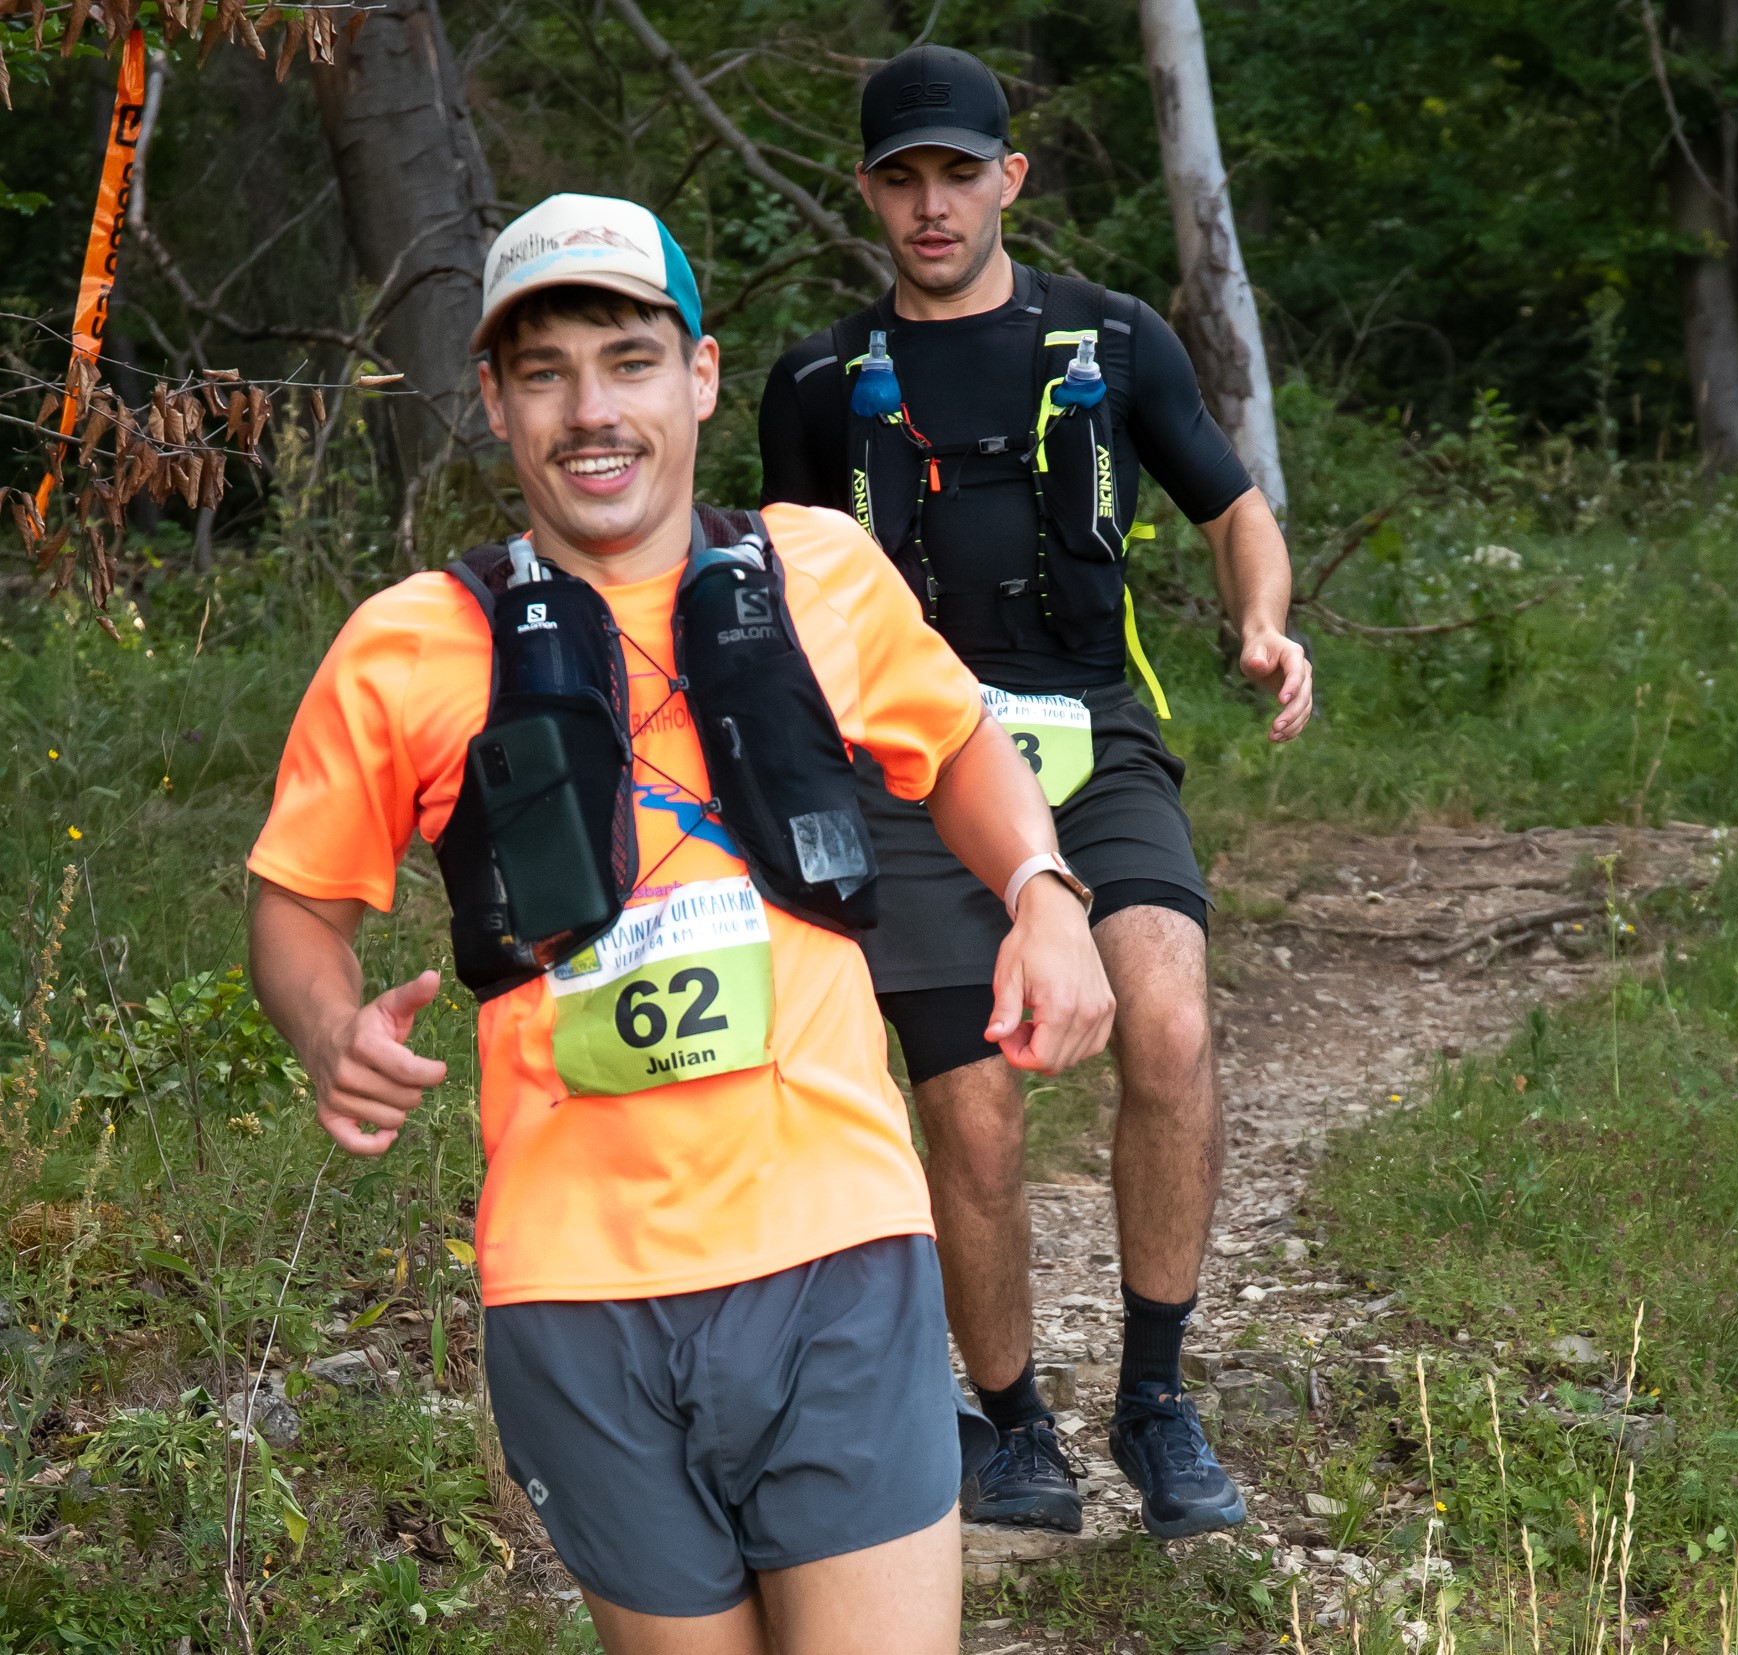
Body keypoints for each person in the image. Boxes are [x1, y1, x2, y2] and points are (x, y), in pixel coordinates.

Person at [247, 191, 1115, 1655]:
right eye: (546, 372)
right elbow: (295, 901)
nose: (593, 410)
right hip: (574, 1291)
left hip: (837, 1246)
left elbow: (963, 748)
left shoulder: (821, 571)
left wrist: (1045, 893)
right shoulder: (407, 643)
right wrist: (326, 1025)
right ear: (495, 403)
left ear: (701, 376)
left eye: (629, 359)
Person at [758, 47, 1312, 1541]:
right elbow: (777, 598)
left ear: (1011, 178)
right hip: (908, 766)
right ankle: (1012, 1426)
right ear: (867, 192)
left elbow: (1234, 509)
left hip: (1093, 733)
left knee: (1172, 1019)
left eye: (958, 172)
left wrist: (1263, 620)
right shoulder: (816, 383)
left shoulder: (1114, 340)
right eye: (900, 177)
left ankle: (1157, 1399)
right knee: (980, 1112)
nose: (931, 205)